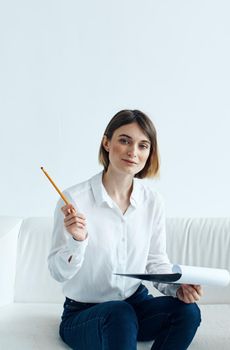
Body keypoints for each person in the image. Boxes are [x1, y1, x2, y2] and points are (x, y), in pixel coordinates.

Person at [48, 109, 202, 350]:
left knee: (188, 312)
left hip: (134, 304)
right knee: (119, 314)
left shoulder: (153, 201)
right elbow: (57, 273)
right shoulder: (73, 200)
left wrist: (176, 288)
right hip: (83, 313)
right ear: (107, 142)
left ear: (149, 153)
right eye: (124, 141)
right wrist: (77, 242)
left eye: (143, 146)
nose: (133, 152)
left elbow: (155, 261)